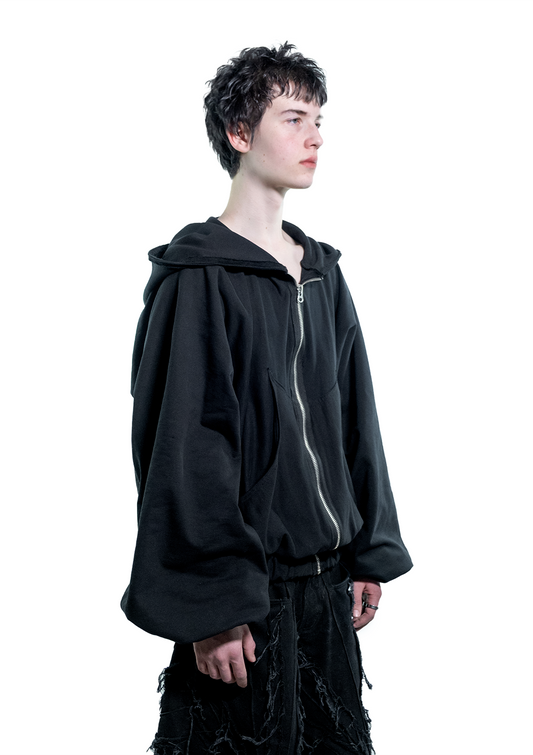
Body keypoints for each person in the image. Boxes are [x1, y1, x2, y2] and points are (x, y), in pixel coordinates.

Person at [121, 42, 413, 755]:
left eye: (318, 120)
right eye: (293, 118)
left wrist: (369, 550)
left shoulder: (322, 273)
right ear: (239, 133)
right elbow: (184, 447)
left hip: (329, 591)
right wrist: (212, 606)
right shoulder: (200, 277)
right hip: (247, 604)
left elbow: (356, 417)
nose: (315, 136)